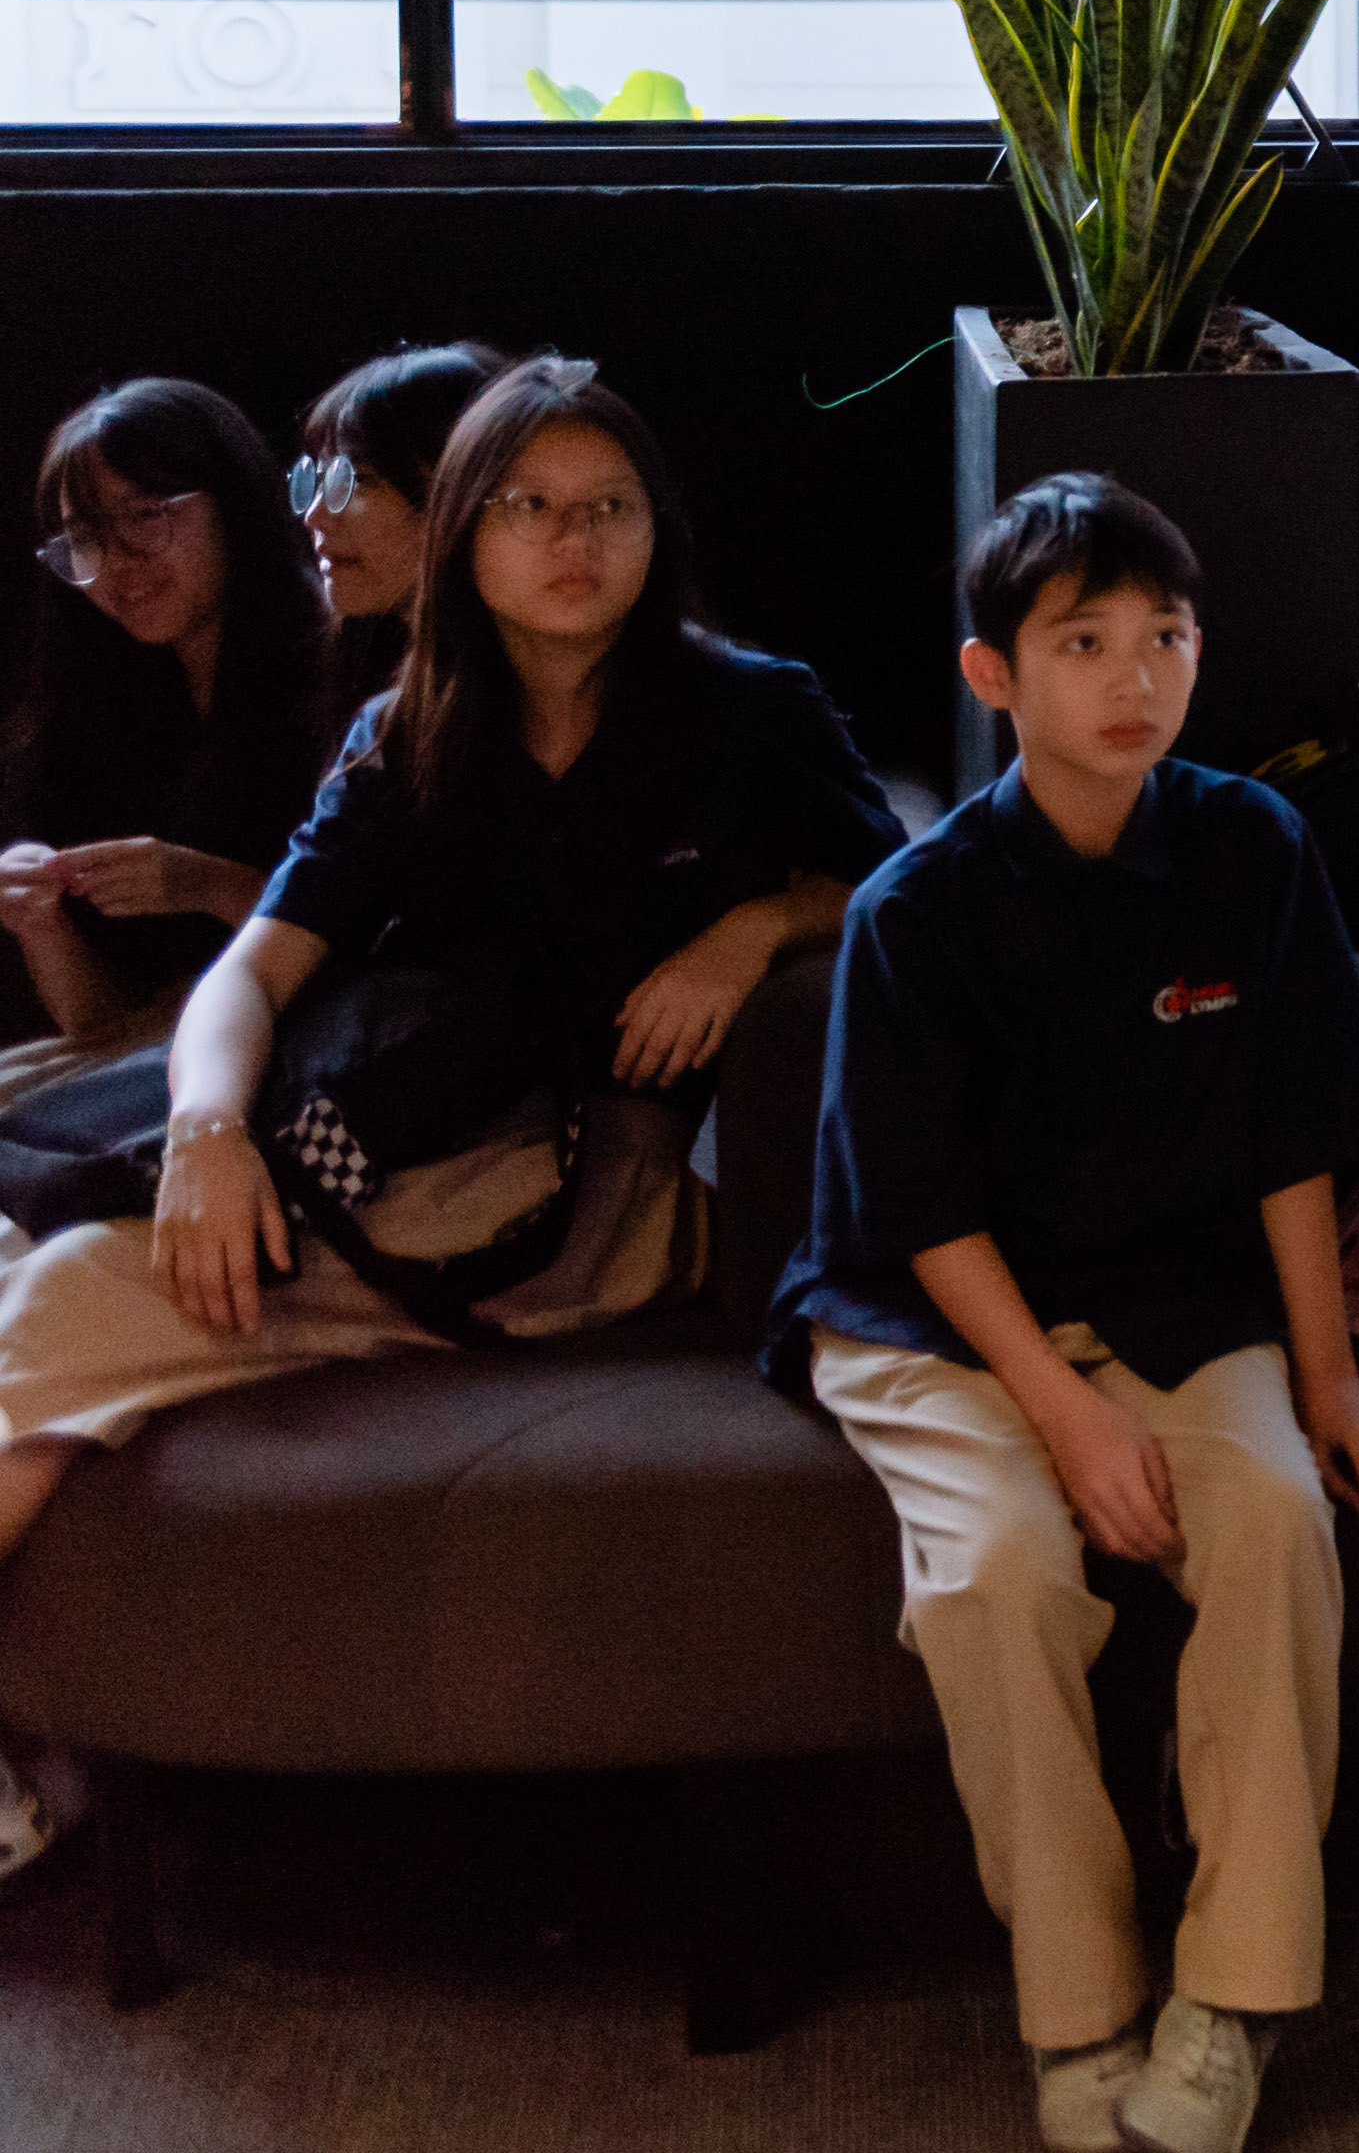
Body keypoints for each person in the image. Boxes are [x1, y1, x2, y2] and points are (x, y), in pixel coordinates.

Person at [0, 357, 895, 1876]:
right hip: (399, 1143)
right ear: (469, 530)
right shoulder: (410, 729)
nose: (573, 540)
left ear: (657, 526)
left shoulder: (748, 708)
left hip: (591, 1199)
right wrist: (210, 1133)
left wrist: (755, 927)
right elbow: (251, 974)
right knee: (47, 1262)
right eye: (529, 505)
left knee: (72, 1297)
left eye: (608, 505)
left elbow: (908, 884)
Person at [772, 474, 1359, 2153]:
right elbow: (922, 1215)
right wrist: (1068, 1420)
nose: (1137, 676)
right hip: (936, 1318)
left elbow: (1295, 1138)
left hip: (1177, 1292)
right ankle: (1078, 2009)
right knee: (1000, 1573)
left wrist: (1332, 1382)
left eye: (1168, 635)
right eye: (1084, 642)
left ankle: (1234, 1994)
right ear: (994, 673)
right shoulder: (916, 908)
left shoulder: (1250, 844)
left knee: (1275, 1521)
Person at [0, 381, 339, 1078]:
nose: (118, 561)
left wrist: (206, 885)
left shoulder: (341, 676)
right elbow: (101, 1024)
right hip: (163, 1054)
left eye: (145, 515)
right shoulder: (97, 714)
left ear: (233, 502)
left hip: (316, 1046)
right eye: (86, 538)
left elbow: (379, 954)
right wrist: (38, 921)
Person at [293, 340, 511, 711]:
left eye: (359, 482)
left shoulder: (523, 701)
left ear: (458, 491)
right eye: (322, 481)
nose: (314, 516)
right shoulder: (374, 688)